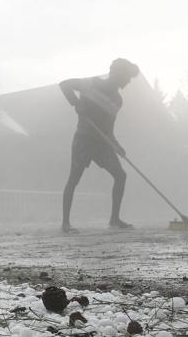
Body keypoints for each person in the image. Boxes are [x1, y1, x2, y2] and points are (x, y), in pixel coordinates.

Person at [59, 58, 141, 233]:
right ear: (119, 74)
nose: (128, 82)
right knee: (74, 179)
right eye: (127, 77)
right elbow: (64, 84)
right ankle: (65, 223)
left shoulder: (117, 101)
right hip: (83, 140)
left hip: (101, 144)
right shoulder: (91, 84)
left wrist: (116, 145)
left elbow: (108, 129)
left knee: (121, 175)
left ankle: (114, 219)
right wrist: (76, 103)